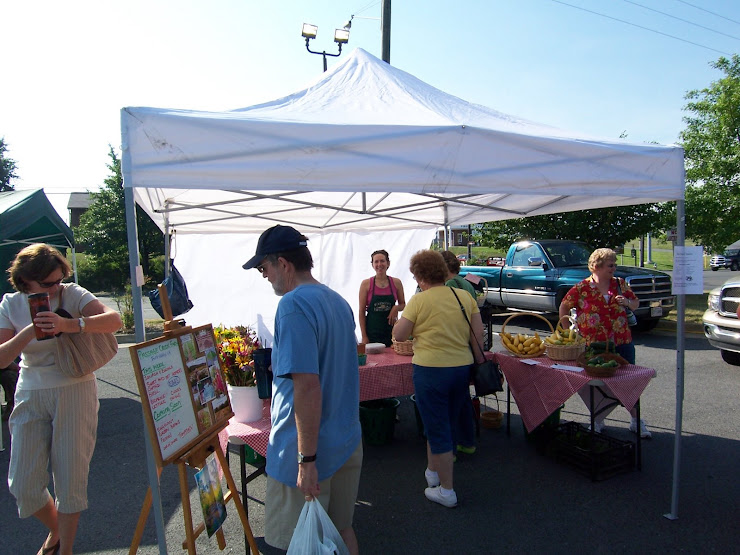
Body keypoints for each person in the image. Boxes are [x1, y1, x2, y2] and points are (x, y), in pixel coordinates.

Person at [242, 225, 362, 553]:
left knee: (301, 542)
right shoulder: (337, 301)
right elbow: (335, 363)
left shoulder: (293, 304)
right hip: (346, 440)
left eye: (264, 268)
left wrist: (306, 459)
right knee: (341, 531)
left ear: (283, 263)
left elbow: (308, 387)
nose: (264, 275)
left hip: (309, 450)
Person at [0, 243, 122, 555]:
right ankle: (57, 530)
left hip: (75, 388)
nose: (56, 287)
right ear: (26, 280)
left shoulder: (72, 293)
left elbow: (114, 321)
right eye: (47, 284)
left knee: (69, 479)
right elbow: (2, 359)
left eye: (59, 280)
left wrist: (70, 324)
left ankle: (64, 549)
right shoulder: (10, 304)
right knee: (23, 484)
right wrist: (30, 331)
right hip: (30, 389)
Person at [393, 250, 483, 508]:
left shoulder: (419, 300)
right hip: (461, 368)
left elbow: (399, 335)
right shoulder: (464, 295)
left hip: (431, 370)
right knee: (446, 423)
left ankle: (447, 490)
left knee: (437, 427)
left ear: (420, 275)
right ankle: (433, 472)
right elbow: (477, 335)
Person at [558, 247, 651, 438]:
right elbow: (564, 306)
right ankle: (598, 420)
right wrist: (567, 331)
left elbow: (636, 303)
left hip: (621, 341)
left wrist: (626, 302)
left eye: (615, 264)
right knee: (595, 385)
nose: (614, 268)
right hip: (594, 345)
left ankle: (636, 421)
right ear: (596, 266)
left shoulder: (620, 284)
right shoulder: (582, 288)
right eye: (610, 265)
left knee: (628, 382)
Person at [440, 250, 478, 455]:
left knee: (449, 404)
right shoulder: (467, 285)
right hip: (467, 350)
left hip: (452, 350)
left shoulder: (449, 287)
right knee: (463, 400)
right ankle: (468, 442)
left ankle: (451, 450)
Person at [359, 249, 406, 346]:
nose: (379, 264)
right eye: (376, 261)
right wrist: (364, 336)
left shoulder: (396, 283)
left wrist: (396, 308)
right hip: (372, 332)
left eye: (382, 261)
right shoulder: (366, 284)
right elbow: (361, 311)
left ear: (388, 263)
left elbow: (403, 304)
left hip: (391, 332)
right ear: (372, 265)